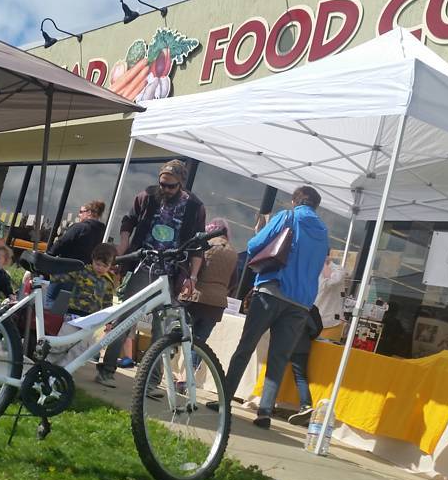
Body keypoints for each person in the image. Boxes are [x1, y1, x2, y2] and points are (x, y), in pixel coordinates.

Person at [209, 186, 329, 429]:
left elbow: (255, 245)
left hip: (273, 290)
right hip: (301, 303)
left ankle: (225, 397)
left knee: (246, 347)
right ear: (315, 206)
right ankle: (264, 411)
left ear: (296, 201)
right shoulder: (324, 233)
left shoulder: (288, 216)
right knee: (279, 358)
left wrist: (260, 231)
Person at [94, 160, 206, 389]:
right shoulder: (148, 195)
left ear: (181, 184)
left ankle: (151, 383)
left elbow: (198, 246)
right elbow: (129, 220)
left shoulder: (195, 206)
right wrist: (124, 244)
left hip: (172, 273)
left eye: (171, 186)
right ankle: (106, 370)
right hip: (143, 265)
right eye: (162, 184)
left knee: (162, 327)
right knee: (125, 317)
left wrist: (192, 277)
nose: (165, 189)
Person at [181, 218, 238, 346]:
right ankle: (193, 366)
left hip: (194, 299)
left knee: (179, 337)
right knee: (199, 344)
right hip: (215, 305)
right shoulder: (233, 253)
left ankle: (166, 361)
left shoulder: (203, 245)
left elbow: (192, 269)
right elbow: (234, 282)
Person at [48, 243, 117, 317]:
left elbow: (107, 302)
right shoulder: (82, 271)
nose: (100, 268)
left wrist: (108, 320)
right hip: (73, 312)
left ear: (110, 265)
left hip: (92, 316)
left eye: (105, 266)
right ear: (93, 259)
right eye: (98, 264)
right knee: (68, 328)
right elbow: (63, 276)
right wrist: (47, 273)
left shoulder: (108, 281)